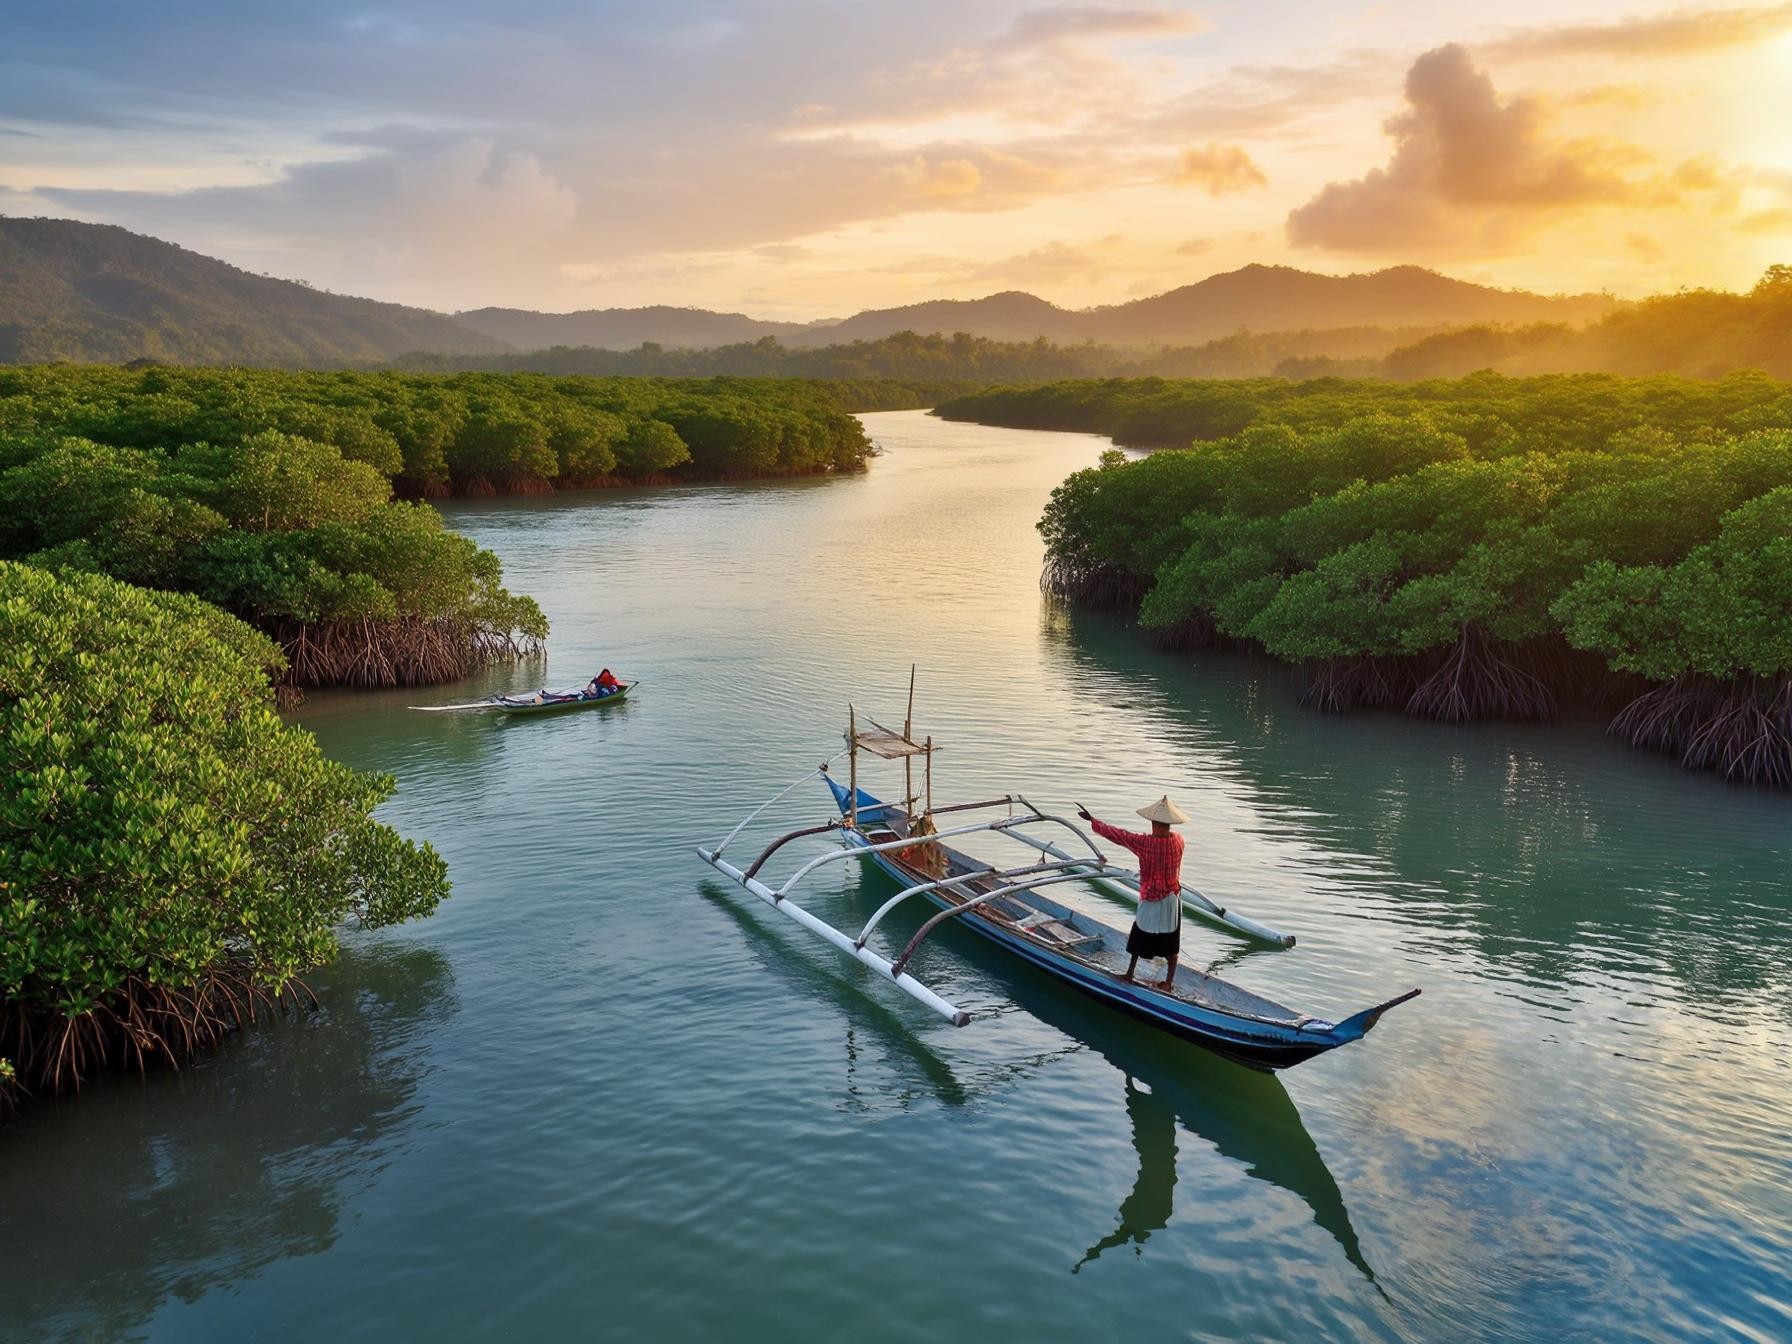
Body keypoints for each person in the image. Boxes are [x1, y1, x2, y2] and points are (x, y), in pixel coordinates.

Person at [1076, 796, 1188, 987]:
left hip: (1152, 897)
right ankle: (1168, 982)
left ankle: (1129, 975)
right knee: (1171, 941)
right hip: (1173, 898)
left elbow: (1119, 835)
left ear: (1154, 823)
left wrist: (1093, 821)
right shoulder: (1178, 840)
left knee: (1139, 937)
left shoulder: (1146, 843)